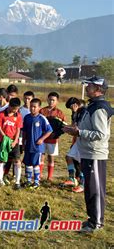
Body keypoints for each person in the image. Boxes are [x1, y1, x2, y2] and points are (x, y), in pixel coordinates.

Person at [63, 76, 112, 233]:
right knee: (90, 189)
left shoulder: (99, 108)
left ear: (98, 89)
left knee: (95, 190)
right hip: (87, 152)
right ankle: (92, 219)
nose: (87, 87)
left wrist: (79, 132)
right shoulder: (92, 106)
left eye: (90, 85)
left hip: (95, 154)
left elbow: (101, 133)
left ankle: (96, 223)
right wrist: (75, 130)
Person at [22, 98, 53, 190]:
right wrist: (23, 141)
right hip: (28, 145)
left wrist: (41, 139)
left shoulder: (42, 118)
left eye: (35, 107)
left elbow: (49, 130)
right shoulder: (27, 117)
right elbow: (24, 131)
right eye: (31, 107)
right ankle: (28, 181)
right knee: (27, 163)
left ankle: (36, 182)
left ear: (39, 108)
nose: (32, 109)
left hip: (37, 147)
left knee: (35, 164)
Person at [0, 98, 22, 187]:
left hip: (14, 142)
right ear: (9, 106)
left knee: (17, 161)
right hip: (4, 141)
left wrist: (15, 141)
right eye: (14, 109)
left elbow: (18, 129)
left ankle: (17, 181)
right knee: (1, 161)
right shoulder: (1, 114)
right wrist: (5, 138)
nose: (15, 110)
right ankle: (0, 180)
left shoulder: (18, 116)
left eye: (17, 109)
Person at [62, 97, 87, 193]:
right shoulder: (75, 112)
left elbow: (77, 127)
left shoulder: (84, 112)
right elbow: (73, 125)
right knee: (69, 157)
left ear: (75, 105)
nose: (71, 110)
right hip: (78, 140)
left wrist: (67, 129)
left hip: (84, 140)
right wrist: (64, 127)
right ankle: (72, 179)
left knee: (82, 162)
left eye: (71, 107)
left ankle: (82, 184)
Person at [40, 92, 66, 181]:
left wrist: (56, 134)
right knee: (41, 156)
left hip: (53, 140)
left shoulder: (60, 113)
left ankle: (50, 176)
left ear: (57, 101)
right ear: (47, 100)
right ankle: (39, 174)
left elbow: (63, 127)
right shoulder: (42, 111)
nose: (51, 102)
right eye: (50, 99)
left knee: (51, 157)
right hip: (42, 138)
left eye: (53, 100)